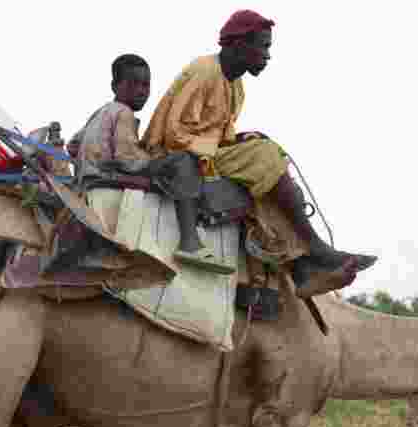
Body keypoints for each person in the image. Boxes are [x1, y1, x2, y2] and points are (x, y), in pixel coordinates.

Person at [142, 9, 378, 297]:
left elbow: (216, 135)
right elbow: (174, 133)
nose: (267, 56)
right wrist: (235, 149)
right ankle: (315, 248)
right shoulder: (205, 71)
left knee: (267, 161)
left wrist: (239, 141)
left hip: (201, 153)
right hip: (171, 154)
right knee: (264, 158)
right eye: (263, 47)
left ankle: (300, 267)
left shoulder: (236, 85)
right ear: (240, 44)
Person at [66, 54, 237, 274]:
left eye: (146, 84)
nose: (141, 90)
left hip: (90, 175)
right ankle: (190, 243)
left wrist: (92, 159)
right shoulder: (123, 113)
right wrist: (156, 161)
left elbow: (72, 146)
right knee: (184, 161)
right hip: (106, 178)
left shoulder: (101, 112)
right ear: (115, 86)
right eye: (133, 84)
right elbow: (128, 159)